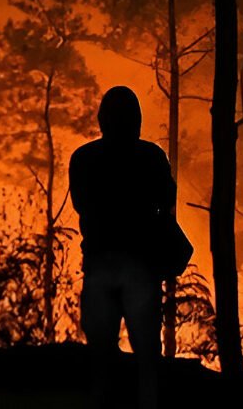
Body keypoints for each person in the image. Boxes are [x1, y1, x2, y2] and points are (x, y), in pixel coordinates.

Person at [69, 86, 175, 409]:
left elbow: (80, 204)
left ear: (102, 120)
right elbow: (166, 199)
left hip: (100, 263)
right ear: (137, 120)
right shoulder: (152, 157)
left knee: (101, 359)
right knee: (146, 358)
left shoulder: (84, 158)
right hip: (142, 267)